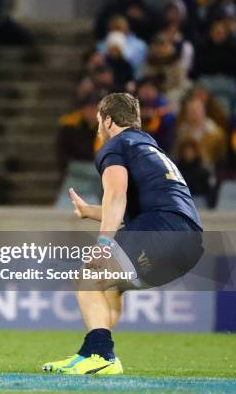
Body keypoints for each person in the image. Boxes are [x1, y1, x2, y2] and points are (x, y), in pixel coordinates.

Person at [43, 93, 203, 375]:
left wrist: (103, 244)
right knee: (110, 288)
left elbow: (116, 195)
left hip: (160, 230)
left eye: (98, 122)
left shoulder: (116, 145)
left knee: (88, 277)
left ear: (108, 120)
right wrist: (89, 212)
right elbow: (134, 204)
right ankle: (96, 352)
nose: (98, 129)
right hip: (188, 242)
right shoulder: (148, 147)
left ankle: (100, 354)